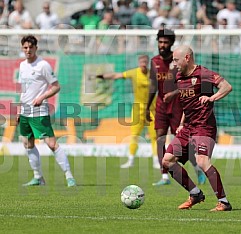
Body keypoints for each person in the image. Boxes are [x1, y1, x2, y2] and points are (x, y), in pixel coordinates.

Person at [162, 45, 232, 211]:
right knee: (167, 160)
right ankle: (195, 194)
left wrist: (212, 98)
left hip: (204, 126)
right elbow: (189, 104)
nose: (174, 64)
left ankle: (224, 202)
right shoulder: (179, 77)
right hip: (187, 127)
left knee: (202, 161)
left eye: (176, 60)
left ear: (187, 58)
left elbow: (227, 87)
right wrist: (180, 124)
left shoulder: (204, 74)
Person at [145, 28, 206, 186]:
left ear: (171, 43)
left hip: (179, 106)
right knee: (160, 139)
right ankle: (164, 176)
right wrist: (146, 107)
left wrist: (174, 93)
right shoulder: (154, 61)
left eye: (165, 42)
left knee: (183, 142)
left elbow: (190, 84)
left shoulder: (178, 61)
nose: (162, 45)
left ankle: (197, 168)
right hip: (161, 106)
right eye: (160, 42)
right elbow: (153, 86)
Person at [17, 35, 76, 187]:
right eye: (25, 47)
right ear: (22, 48)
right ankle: (38, 178)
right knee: (27, 143)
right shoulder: (23, 66)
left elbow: (56, 86)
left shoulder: (43, 65)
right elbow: (22, 89)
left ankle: (69, 176)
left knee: (51, 144)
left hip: (39, 112)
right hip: (25, 111)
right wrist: (18, 109)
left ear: (36, 48)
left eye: (31, 47)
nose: (28, 50)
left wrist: (42, 97)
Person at [97, 55, 159, 169]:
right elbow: (117, 75)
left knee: (154, 136)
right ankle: (131, 160)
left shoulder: (153, 75)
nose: (143, 63)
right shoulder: (134, 73)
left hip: (152, 110)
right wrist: (101, 76)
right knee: (134, 135)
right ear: (139, 62)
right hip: (137, 109)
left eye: (145, 61)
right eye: (141, 61)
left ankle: (156, 160)